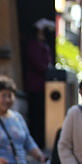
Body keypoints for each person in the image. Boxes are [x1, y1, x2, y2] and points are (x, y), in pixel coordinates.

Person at [22, 18, 55, 147]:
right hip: (35, 87)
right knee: (36, 116)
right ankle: (36, 142)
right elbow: (39, 65)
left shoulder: (43, 45)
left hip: (42, 87)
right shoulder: (33, 45)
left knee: (41, 116)